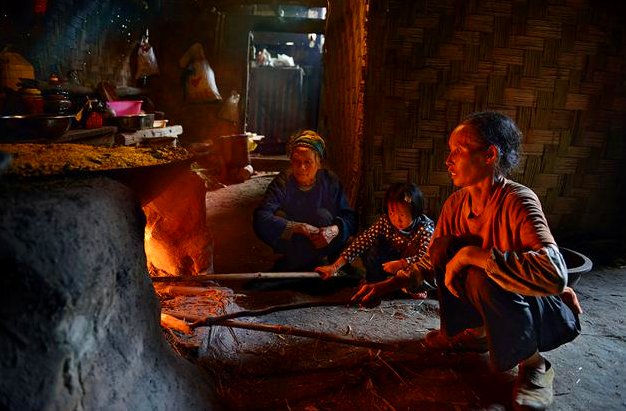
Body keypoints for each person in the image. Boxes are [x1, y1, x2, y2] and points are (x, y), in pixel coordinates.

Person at [351, 111, 582, 410]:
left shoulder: (518, 200)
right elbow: (429, 262)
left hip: (537, 307)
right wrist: (387, 285)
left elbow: (554, 273)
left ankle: (535, 365)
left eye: (458, 152)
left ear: (489, 155)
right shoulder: (456, 204)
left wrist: (473, 255)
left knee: (480, 272)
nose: (448, 161)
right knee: (446, 249)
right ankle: (473, 333)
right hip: (496, 302)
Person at [253, 130, 358, 272]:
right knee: (279, 218)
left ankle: (307, 261)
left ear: (318, 164)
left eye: (308, 162)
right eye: (297, 161)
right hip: (295, 242)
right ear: (291, 161)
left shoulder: (330, 181)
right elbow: (260, 217)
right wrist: (298, 227)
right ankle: (304, 261)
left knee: (323, 215)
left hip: (324, 241)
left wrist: (334, 230)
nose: (301, 168)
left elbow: (350, 218)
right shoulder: (283, 182)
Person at [316, 182, 434, 284]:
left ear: (415, 211)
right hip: (388, 264)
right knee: (369, 246)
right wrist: (334, 267)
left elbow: (426, 258)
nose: (396, 220)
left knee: (418, 274)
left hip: (411, 268)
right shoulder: (386, 221)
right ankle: (376, 281)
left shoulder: (425, 228)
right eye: (392, 213)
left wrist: (402, 264)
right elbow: (362, 242)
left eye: (402, 215)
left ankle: (409, 286)